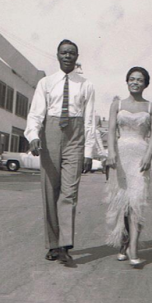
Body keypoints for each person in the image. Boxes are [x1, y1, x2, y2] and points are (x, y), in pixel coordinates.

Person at [25, 39, 95, 265]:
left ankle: (65, 246)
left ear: (77, 57)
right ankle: (52, 244)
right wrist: (34, 136)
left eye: (72, 53)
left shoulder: (86, 85)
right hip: (50, 135)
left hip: (75, 137)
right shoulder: (46, 83)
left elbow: (90, 121)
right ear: (57, 55)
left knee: (69, 193)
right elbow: (36, 114)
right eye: (64, 53)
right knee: (50, 190)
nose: (67, 56)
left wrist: (89, 152)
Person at [105, 67, 152, 266]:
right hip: (121, 156)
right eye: (132, 79)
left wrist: (148, 155)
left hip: (140, 157)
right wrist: (111, 153)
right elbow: (110, 130)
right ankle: (123, 242)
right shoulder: (116, 105)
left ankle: (133, 246)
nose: (135, 82)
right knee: (122, 203)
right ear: (127, 82)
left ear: (145, 83)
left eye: (140, 80)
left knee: (137, 202)